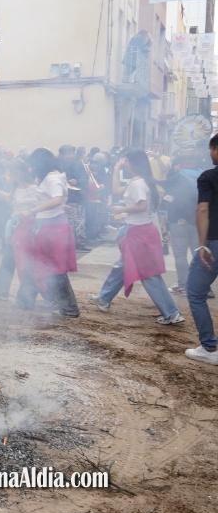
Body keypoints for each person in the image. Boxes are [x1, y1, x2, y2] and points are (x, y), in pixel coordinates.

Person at [89, 150, 183, 324]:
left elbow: (142, 205)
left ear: (133, 163)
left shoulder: (138, 183)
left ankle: (171, 313)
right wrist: (116, 169)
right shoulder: (140, 181)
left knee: (149, 275)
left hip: (138, 232)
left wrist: (121, 209)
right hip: (138, 230)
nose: (124, 164)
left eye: (126, 161)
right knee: (122, 266)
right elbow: (117, 189)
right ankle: (103, 298)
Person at [13, 148, 79, 317]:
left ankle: (69, 308)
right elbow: (58, 200)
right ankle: (25, 300)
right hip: (49, 226)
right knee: (36, 263)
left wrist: (32, 210)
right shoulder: (54, 176)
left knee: (54, 268)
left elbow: (56, 199)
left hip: (53, 228)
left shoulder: (52, 177)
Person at [185, 135, 218, 364]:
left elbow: (203, 210)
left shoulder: (208, 177)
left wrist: (202, 244)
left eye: (211, 149)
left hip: (215, 242)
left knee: (196, 293)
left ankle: (209, 347)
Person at [0, 161, 38, 301]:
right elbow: (8, 197)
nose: (9, 175)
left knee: (22, 260)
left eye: (12, 172)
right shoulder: (16, 188)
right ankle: (1, 291)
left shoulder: (34, 188)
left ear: (20, 172)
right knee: (9, 258)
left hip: (27, 228)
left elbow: (41, 205)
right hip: (14, 227)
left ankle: (26, 293)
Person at [163, 155, 203, 293]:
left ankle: (184, 285)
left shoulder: (178, 177)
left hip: (180, 222)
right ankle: (203, 286)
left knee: (180, 255)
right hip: (198, 221)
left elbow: (172, 199)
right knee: (197, 254)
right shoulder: (202, 174)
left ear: (178, 165)